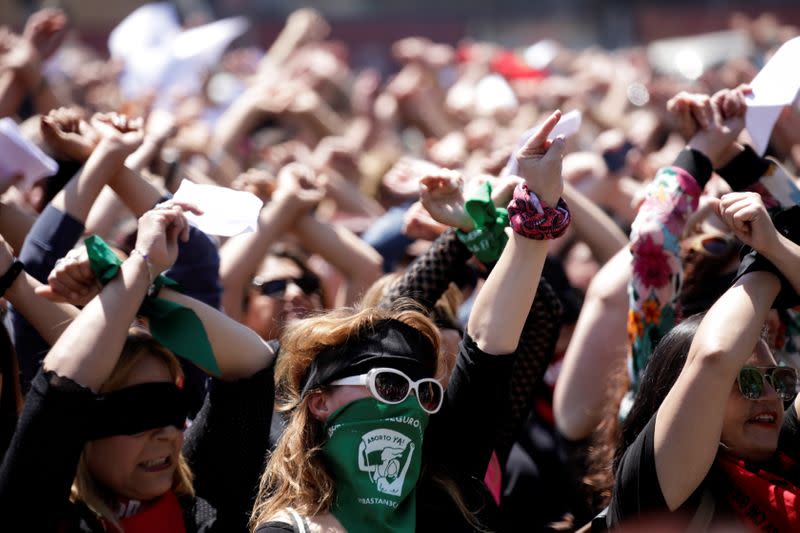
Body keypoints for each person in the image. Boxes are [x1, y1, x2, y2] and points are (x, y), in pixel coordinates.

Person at [250, 110, 570, 533]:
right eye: (389, 385)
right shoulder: (285, 531)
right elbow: (391, 322)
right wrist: (461, 234)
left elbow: (489, 339)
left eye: (427, 393)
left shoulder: (445, 485)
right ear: (320, 401)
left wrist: (538, 206)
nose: (409, 404)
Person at [0, 201, 275, 532]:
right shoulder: (38, 514)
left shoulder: (201, 506)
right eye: (138, 414)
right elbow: (62, 390)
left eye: (172, 410)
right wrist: (138, 267)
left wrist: (141, 285)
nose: (169, 432)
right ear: (81, 428)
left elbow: (252, 367)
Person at [608, 190, 800, 529]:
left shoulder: (785, 451)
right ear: (677, 393)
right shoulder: (651, 489)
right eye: (747, 381)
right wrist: (762, 258)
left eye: (778, 380)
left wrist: (777, 242)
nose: (771, 396)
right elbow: (715, 356)